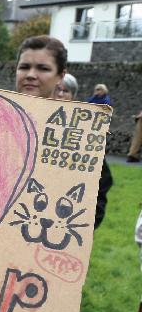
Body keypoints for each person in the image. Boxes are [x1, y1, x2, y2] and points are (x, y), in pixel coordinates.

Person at [51, 71, 113, 228]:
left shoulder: (84, 131)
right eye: (56, 90)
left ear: (72, 95)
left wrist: (91, 221)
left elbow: (102, 178)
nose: (60, 94)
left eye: (65, 91)